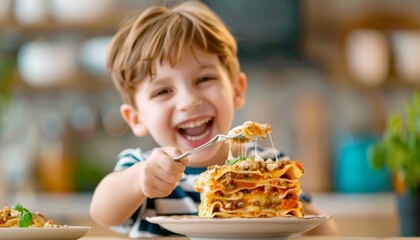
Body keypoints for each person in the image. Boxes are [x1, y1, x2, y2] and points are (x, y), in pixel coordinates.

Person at [90, 1, 339, 238]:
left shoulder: (270, 167)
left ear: (236, 90)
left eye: (204, 79)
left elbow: (323, 230)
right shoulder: (143, 169)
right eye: (163, 91)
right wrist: (140, 179)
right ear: (136, 119)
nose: (188, 101)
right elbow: (102, 212)